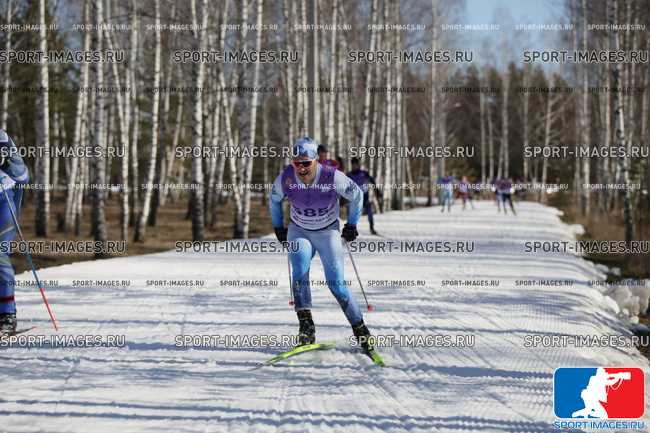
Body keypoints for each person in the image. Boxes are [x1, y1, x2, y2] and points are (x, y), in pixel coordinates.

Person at [269, 137, 376, 356]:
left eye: (306, 163)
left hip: (328, 232)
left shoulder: (331, 176)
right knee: (299, 271)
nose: (301, 168)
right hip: (300, 231)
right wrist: (278, 227)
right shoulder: (286, 178)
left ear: (316, 160)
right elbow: (274, 200)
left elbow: (357, 195)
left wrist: (352, 224)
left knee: (336, 284)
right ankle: (306, 328)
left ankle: (360, 329)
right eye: (297, 163)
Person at [0, 129, 29, 334]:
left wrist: (6, 163)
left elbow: (22, 176)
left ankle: (7, 315)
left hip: (3, 199)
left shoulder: (1, 138)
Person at [347, 157, 380, 235]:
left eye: (356, 164)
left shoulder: (364, 173)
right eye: (353, 164)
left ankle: (372, 228)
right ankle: (351, 230)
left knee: (370, 213)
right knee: (352, 215)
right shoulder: (349, 175)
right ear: (351, 165)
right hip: (355, 199)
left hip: (365, 197)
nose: (355, 166)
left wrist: (377, 191)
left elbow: (372, 180)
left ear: (358, 165)